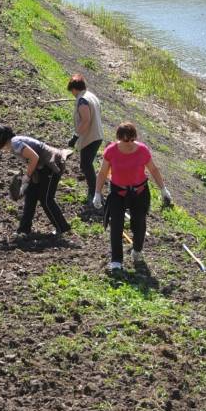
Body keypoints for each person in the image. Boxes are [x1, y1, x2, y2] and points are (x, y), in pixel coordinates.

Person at [93, 121, 172, 273]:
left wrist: (163, 189)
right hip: (118, 192)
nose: (128, 143)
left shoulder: (142, 150)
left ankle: (137, 250)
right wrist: (97, 192)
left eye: (131, 139)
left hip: (139, 192)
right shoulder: (111, 151)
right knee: (116, 225)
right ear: (119, 138)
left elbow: (153, 169)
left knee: (139, 224)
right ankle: (116, 260)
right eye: (125, 140)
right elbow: (103, 173)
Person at [0, 124, 71, 237]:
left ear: (2, 139)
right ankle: (23, 230)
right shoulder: (15, 143)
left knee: (46, 199)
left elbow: (34, 157)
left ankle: (62, 228)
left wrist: (27, 177)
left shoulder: (15, 143)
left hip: (51, 166)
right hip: (42, 168)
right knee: (31, 196)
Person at [66, 73, 103, 205]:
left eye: (72, 91)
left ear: (75, 89)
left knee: (86, 165)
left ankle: (94, 192)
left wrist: (75, 136)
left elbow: (86, 120)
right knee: (87, 164)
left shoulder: (82, 100)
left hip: (90, 137)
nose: (72, 94)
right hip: (97, 135)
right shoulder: (91, 96)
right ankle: (95, 191)